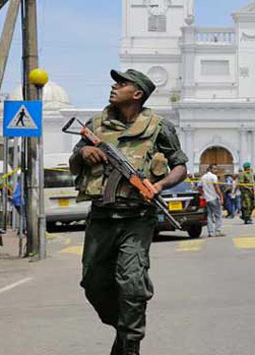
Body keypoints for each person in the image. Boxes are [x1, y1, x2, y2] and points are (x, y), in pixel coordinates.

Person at [69, 69, 187, 355]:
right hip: (101, 216)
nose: (114, 86)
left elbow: (181, 166)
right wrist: (84, 154)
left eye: (122, 83)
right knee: (94, 283)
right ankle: (123, 329)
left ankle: (131, 345)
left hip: (137, 218)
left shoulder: (159, 126)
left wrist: (159, 186)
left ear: (137, 94)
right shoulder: (95, 124)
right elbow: (75, 157)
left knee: (131, 283)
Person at [201, 164, 225, 237]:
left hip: (206, 199)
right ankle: (218, 231)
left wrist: (203, 194)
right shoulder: (213, 177)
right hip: (214, 198)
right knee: (218, 215)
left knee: (209, 216)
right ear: (210, 169)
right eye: (214, 169)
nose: (216, 170)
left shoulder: (203, 177)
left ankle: (210, 232)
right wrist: (221, 197)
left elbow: (199, 188)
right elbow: (216, 187)